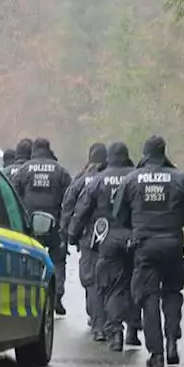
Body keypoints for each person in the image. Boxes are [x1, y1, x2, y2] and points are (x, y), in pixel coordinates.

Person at [112, 135, 184, 367]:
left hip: (145, 245)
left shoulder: (132, 179)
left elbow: (119, 212)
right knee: (172, 293)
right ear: (163, 152)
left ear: (145, 152)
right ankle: (172, 342)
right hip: (172, 243)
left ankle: (157, 353)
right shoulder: (179, 178)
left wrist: (137, 226)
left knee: (148, 297)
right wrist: (175, 222)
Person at [74, 142, 138, 351]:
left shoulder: (98, 179)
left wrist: (73, 234)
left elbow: (82, 208)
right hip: (133, 238)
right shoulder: (137, 176)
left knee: (111, 285)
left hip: (106, 238)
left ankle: (114, 330)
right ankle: (133, 329)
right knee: (132, 284)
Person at [13, 138, 72, 315]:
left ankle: (29, 299)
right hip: (54, 223)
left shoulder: (24, 170)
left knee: (28, 259)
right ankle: (56, 297)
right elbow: (69, 198)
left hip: (29, 224)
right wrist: (65, 224)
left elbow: (14, 196)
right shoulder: (60, 170)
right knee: (58, 260)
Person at [63, 143, 109, 337]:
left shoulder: (81, 179)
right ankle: (111, 322)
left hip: (89, 237)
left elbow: (69, 205)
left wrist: (69, 233)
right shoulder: (115, 177)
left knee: (91, 280)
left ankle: (97, 321)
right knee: (112, 279)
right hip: (114, 237)